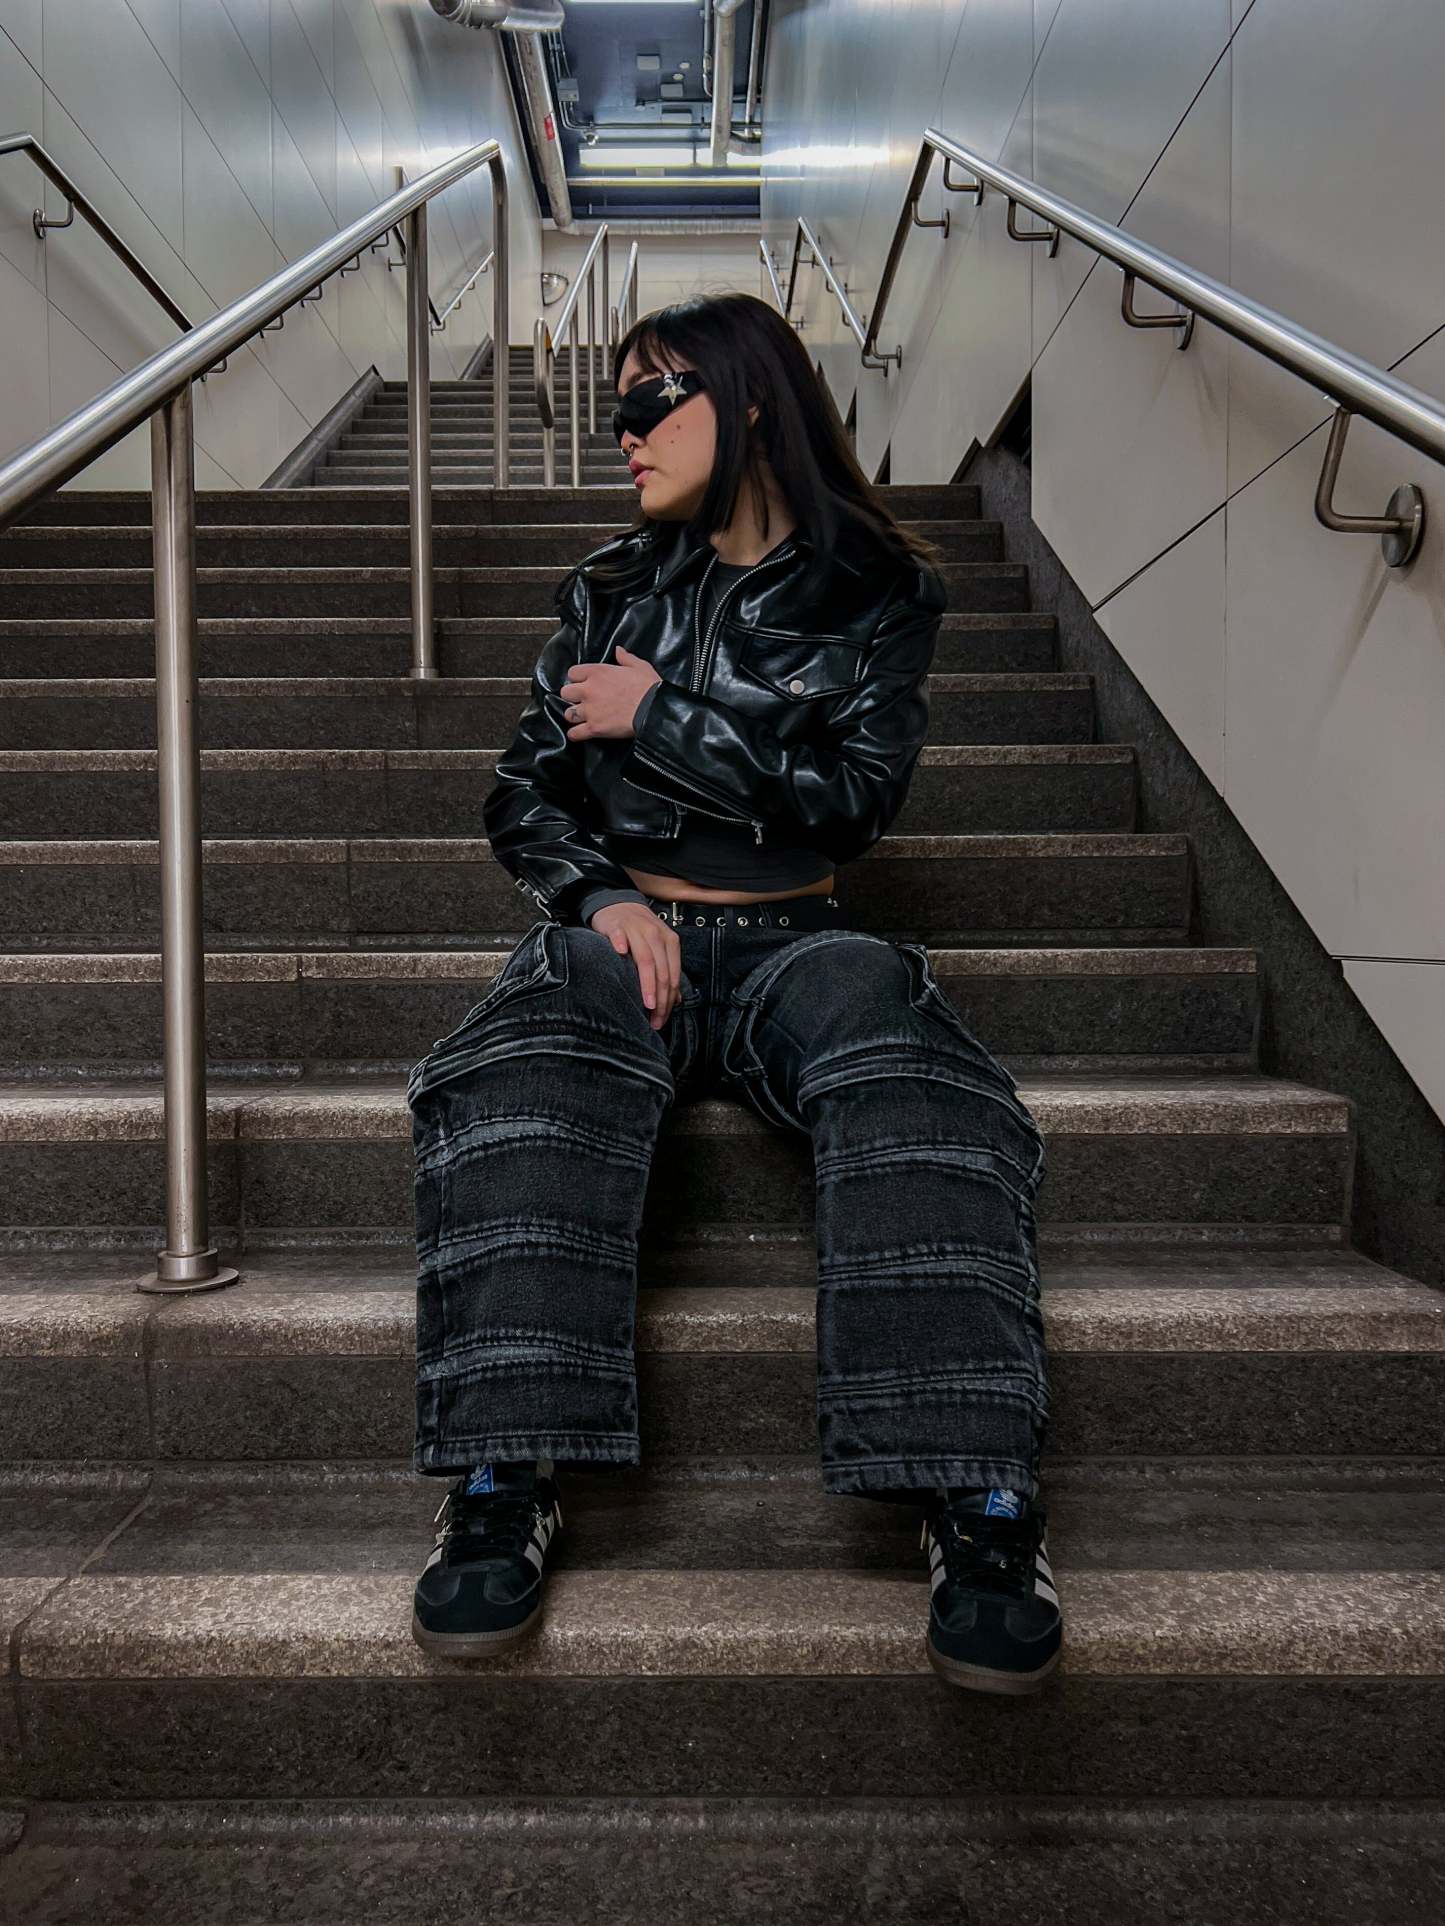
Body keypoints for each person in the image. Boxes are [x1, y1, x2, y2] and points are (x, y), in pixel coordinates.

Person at [406, 292, 1059, 1695]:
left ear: (749, 400)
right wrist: (603, 896)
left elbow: (851, 800)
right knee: (530, 1059)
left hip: (795, 941)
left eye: (653, 399)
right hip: (625, 936)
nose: (623, 433)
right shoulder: (607, 585)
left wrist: (662, 719)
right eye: (618, 407)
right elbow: (523, 792)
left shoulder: (879, 588)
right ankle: (502, 1475)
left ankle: (979, 1497)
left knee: (903, 1061)